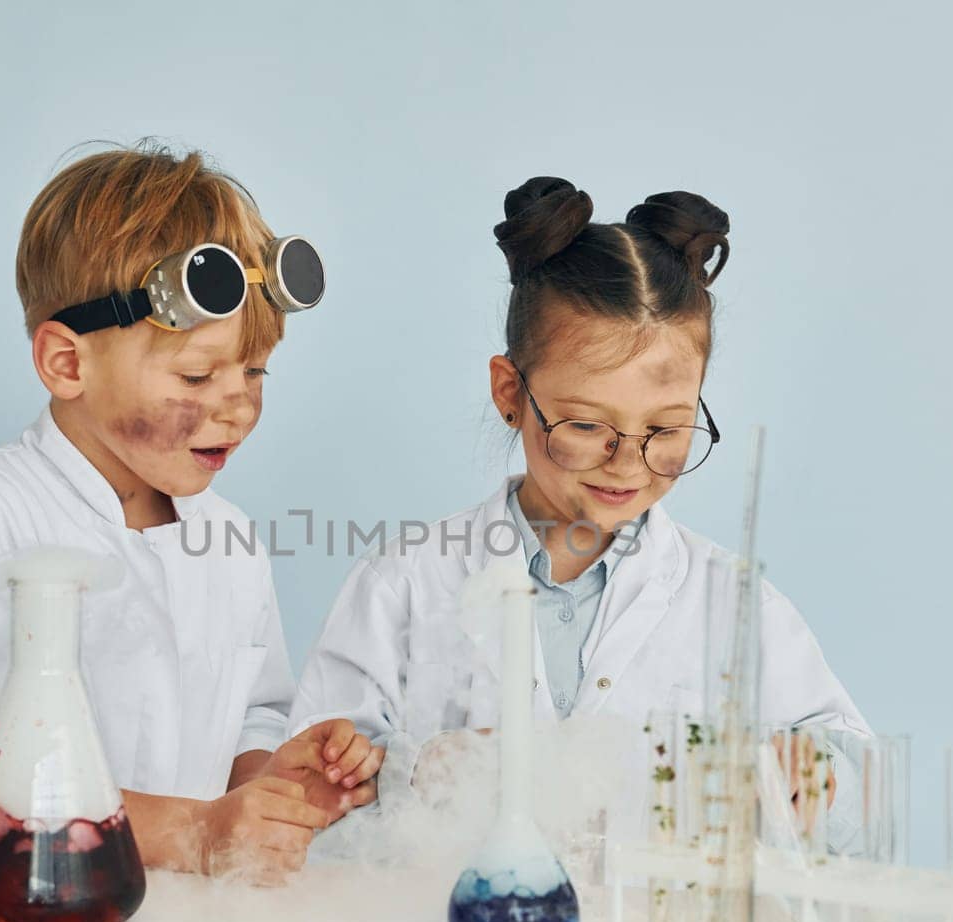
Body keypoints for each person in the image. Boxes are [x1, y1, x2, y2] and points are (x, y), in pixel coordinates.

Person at [290, 176, 868, 850]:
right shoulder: (405, 583)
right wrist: (422, 775)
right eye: (587, 426)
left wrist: (819, 774)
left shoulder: (732, 602)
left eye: (667, 429)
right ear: (510, 392)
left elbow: (849, 776)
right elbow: (305, 796)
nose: (627, 463)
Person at [0, 144, 381, 884]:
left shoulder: (227, 539)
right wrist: (196, 833)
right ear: (68, 364)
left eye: (255, 370)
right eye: (197, 373)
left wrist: (275, 781)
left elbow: (251, 716)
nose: (239, 404)